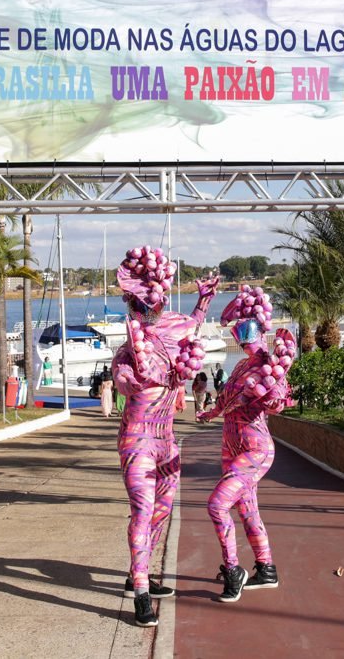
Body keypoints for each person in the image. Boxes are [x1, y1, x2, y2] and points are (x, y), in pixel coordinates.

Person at [111, 245, 219, 627]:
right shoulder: (127, 353)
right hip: (138, 440)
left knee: (162, 510)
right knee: (142, 511)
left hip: (167, 442)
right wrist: (137, 376)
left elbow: (191, 325)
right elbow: (123, 384)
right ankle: (141, 591)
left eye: (151, 303)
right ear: (131, 305)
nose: (147, 310)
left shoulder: (174, 341)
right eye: (139, 304)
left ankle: (136, 574)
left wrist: (204, 301)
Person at [197, 285, 296, 604]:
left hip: (255, 449)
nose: (241, 334)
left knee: (217, 504)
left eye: (246, 326)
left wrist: (274, 394)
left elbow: (277, 402)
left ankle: (234, 569)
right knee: (247, 510)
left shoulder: (271, 364)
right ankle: (266, 569)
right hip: (231, 446)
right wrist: (208, 412)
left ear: (260, 328)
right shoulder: (240, 366)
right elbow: (225, 401)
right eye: (239, 328)